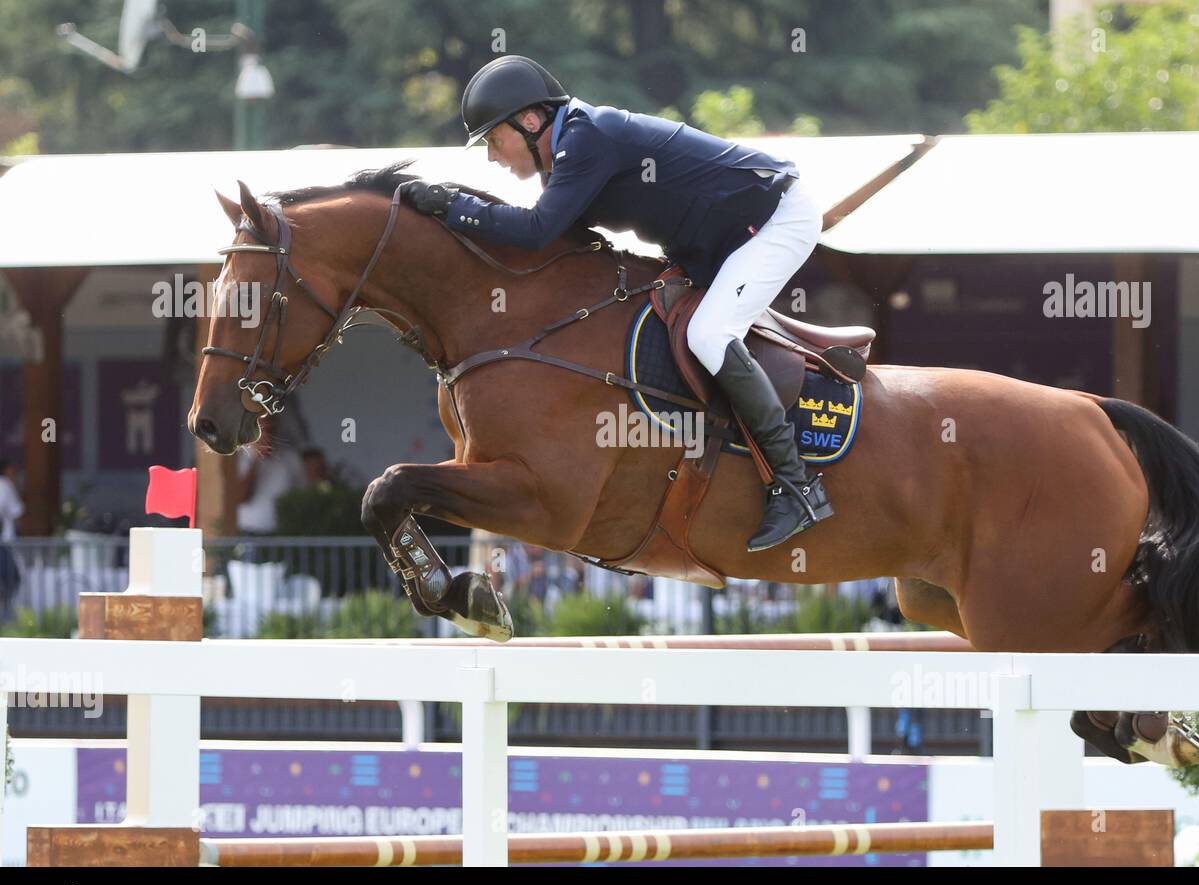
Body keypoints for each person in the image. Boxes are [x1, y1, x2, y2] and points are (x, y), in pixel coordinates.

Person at [399, 55, 833, 552]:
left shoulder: (588, 138)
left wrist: (453, 207)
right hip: (721, 240)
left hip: (777, 219)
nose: (495, 157)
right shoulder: (571, 148)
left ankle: (798, 485)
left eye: (495, 141)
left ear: (532, 121)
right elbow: (556, 241)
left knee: (708, 335)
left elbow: (537, 232)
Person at [236, 419, 306, 535]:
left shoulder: (291, 458)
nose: (266, 434)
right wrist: (256, 459)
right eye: (261, 428)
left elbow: (302, 498)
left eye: (270, 428)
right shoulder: (241, 457)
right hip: (247, 531)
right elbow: (241, 497)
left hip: (281, 533)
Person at [0, 457, 24, 621]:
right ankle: (6, 616)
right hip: (4, 543)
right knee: (11, 580)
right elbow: (17, 513)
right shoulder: (5, 486)